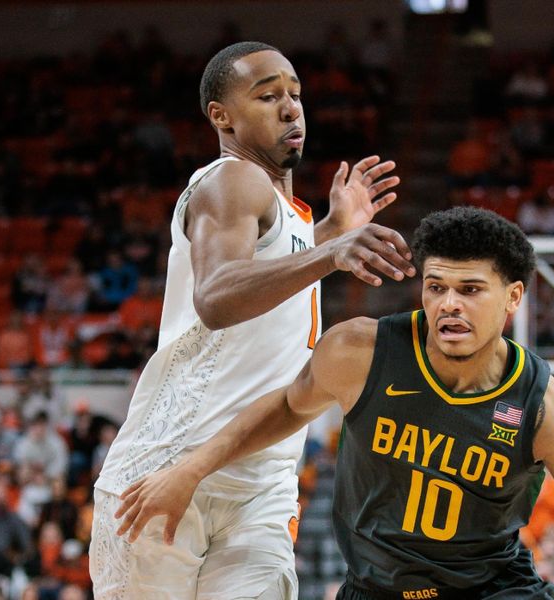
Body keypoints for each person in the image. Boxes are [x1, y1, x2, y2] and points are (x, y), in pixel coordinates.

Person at [115, 207, 554, 599]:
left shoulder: (548, 409)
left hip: (492, 591)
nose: (449, 304)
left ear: (513, 298)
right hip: (374, 591)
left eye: (471, 289)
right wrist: (191, 469)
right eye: (436, 286)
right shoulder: (361, 351)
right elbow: (286, 407)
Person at [89, 41, 415, 599]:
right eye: (267, 96)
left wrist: (332, 232)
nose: (291, 108)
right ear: (222, 116)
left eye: (295, 94)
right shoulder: (232, 179)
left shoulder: (286, 214)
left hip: (261, 476)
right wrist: (330, 252)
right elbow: (217, 297)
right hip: (171, 464)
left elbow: (269, 276)